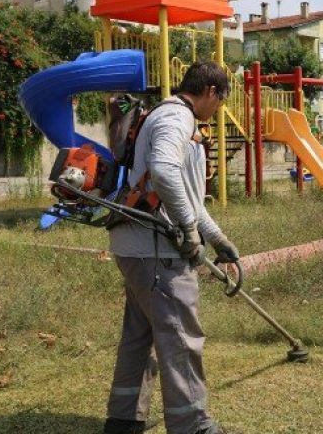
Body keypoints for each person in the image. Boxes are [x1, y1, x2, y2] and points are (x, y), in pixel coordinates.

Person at [105, 62, 239, 434]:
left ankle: (123, 419)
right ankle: (192, 425)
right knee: (181, 338)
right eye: (221, 101)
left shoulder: (172, 120)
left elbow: (191, 202)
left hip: (137, 248)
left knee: (140, 335)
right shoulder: (176, 118)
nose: (219, 109)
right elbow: (163, 172)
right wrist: (187, 231)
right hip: (157, 252)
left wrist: (217, 239)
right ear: (211, 91)